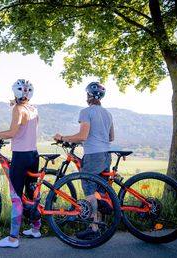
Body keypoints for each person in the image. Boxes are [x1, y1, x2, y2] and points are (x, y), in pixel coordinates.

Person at [0, 79, 41, 248]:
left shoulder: (17, 109)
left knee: (16, 198)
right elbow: (25, 120)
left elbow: (12, 132)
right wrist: (16, 103)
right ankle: (36, 228)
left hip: (20, 156)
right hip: (34, 155)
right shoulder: (34, 109)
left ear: (15, 92)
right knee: (30, 194)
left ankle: (13, 239)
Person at [53, 81, 114, 240]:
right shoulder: (108, 113)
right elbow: (111, 137)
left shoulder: (86, 112)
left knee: (89, 190)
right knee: (99, 193)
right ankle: (99, 226)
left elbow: (82, 136)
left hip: (93, 155)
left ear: (88, 95)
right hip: (106, 155)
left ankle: (93, 228)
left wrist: (62, 138)